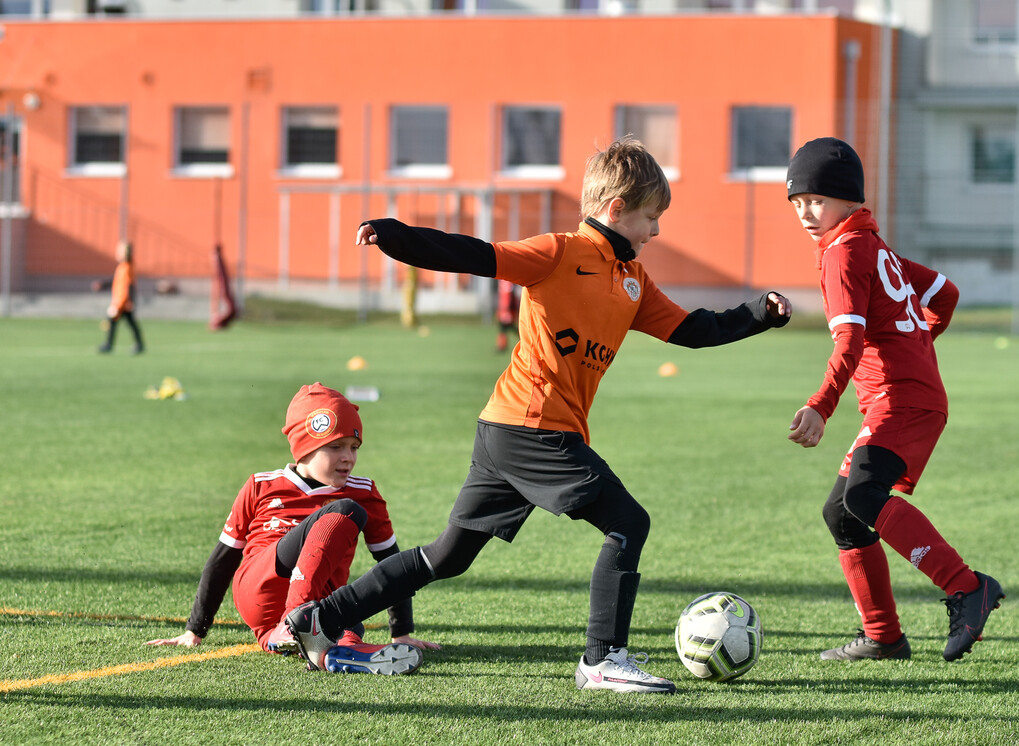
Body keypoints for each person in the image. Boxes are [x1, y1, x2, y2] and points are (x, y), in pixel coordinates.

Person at [281, 136, 792, 693]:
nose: (656, 231)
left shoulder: (631, 280)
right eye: (651, 217)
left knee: (448, 556)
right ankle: (603, 660)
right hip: (531, 426)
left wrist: (757, 314)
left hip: (510, 429)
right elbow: (474, 253)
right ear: (616, 209)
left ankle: (319, 619)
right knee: (628, 523)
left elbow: (694, 330)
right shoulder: (559, 252)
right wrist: (395, 236)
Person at [784, 137, 1004, 662]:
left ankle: (967, 586)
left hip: (900, 401)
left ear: (849, 200)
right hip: (908, 395)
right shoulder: (873, 246)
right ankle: (883, 636)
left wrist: (820, 404)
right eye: (796, 203)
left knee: (861, 497)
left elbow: (850, 341)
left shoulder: (843, 254)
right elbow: (944, 294)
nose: (806, 213)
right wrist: (917, 347)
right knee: (842, 512)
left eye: (816, 199)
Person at [145, 383, 440, 674]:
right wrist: (194, 630)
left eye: (354, 447)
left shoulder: (364, 490)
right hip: (261, 588)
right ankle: (296, 620)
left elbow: (390, 561)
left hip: (317, 605)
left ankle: (335, 652)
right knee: (345, 511)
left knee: (349, 624)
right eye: (335, 447)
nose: (348, 457)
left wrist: (401, 633)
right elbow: (223, 560)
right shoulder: (261, 485)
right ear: (305, 447)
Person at [98, 240, 145, 354]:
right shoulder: (122, 266)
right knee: (123, 322)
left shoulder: (127, 267)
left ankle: (111, 345)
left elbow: (129, 285)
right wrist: (104, 284)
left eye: (120, 251)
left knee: (122, 322)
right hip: (120, 301)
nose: (118, 253)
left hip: (123, 302)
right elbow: (116, 282)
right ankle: (137, 345)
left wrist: (129, 301)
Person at [493, 279, 520, 352]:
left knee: (505, 327)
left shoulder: (508, 283)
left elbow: (510, 297)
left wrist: (509, 310)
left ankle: (502, 346)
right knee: (506, 328)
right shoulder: (504, 282)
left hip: (507, 311)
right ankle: (502, 346)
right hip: (504, 310)